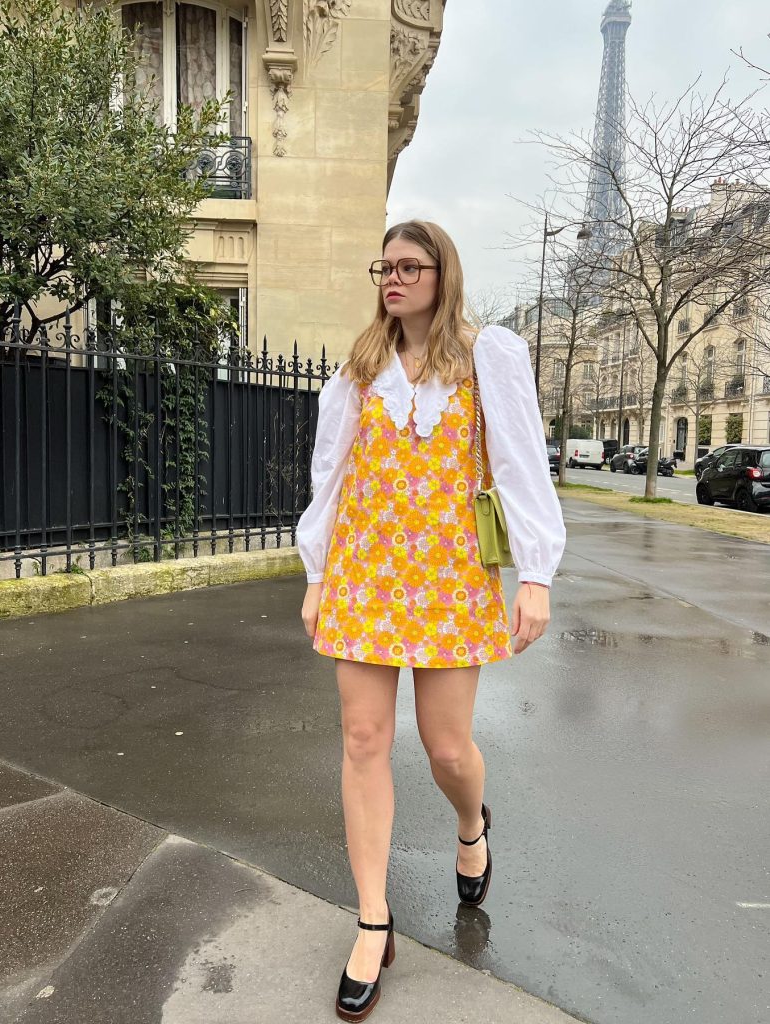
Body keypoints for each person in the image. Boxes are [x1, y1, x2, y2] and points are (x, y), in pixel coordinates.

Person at [296, 220, 566, 1022]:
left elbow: (519, 463)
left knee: (448, 748)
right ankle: (373, 919)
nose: (393, 277)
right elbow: (330, 471)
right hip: (364, 574)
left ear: (442, 273)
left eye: (410, 266)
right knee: (363, 740)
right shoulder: (359, 367)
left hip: (450, 574)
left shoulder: (488, 357)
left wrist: (535, 574)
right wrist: (316, 570)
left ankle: (468, 820)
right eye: (385, 265)